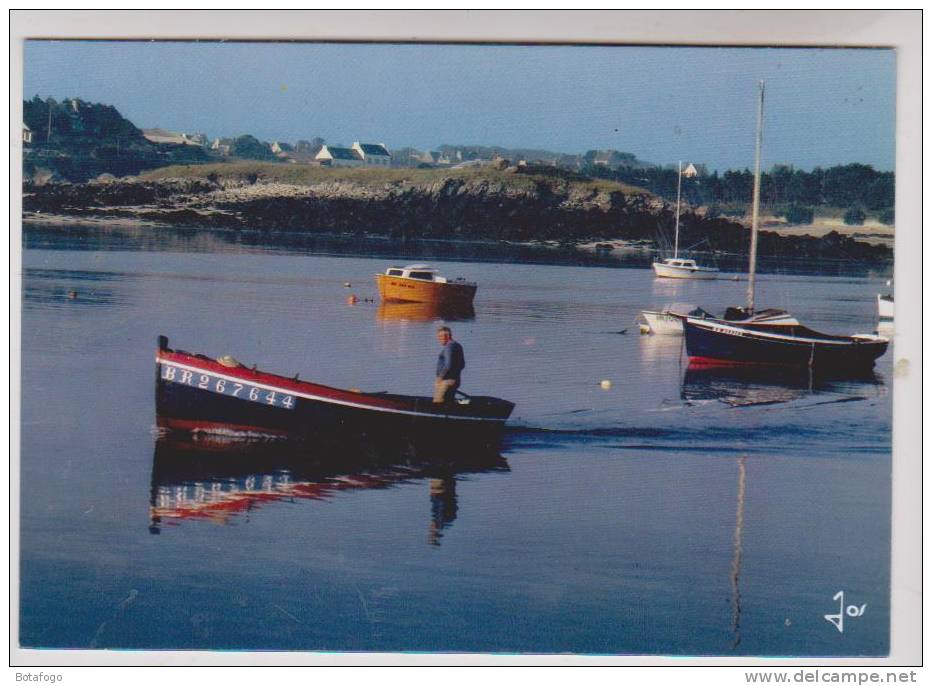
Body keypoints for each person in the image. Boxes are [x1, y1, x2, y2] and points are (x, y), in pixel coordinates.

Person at [434, 325, 465, 403]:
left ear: (447, 336)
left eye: (441, 336)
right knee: (449, 403)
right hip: (454, 380)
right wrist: (455, 376)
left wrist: (440, 377)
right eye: (438, 336)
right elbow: (462, 364)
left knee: (438, 402)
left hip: (446, 381)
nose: (439, 339)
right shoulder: (457, 345)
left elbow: (448, 365)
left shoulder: (449, 346)